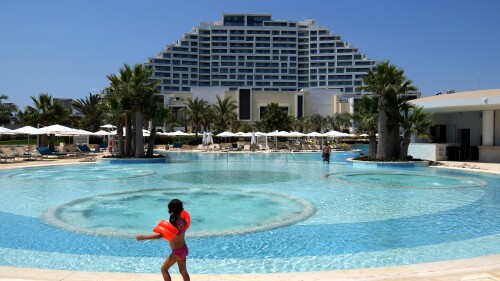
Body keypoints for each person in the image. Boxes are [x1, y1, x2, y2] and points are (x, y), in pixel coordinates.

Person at [136, 199, 190, 281]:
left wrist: (143, 237)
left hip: (177, 252)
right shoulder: (183, 221)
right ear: (182, 210)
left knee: (164, 269)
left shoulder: (174, 224)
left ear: (169, 211)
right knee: (183, 271)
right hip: (184, 249)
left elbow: (160, 235)